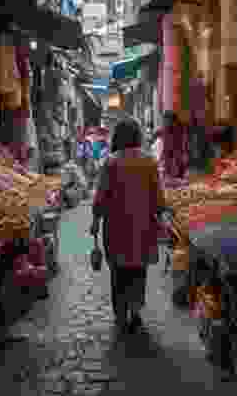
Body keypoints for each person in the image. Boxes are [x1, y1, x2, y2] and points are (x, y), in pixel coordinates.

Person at [89, 119, 166, 333]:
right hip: (143, 228)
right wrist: (161, 217)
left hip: (116, 229)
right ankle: (135, 311)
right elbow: (159, 198)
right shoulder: (149, 162)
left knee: (118, 272)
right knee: (139, 271)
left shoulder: (110, 162)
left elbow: (101, 197)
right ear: (138, 136)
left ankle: (121, 314)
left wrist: (95, 221)